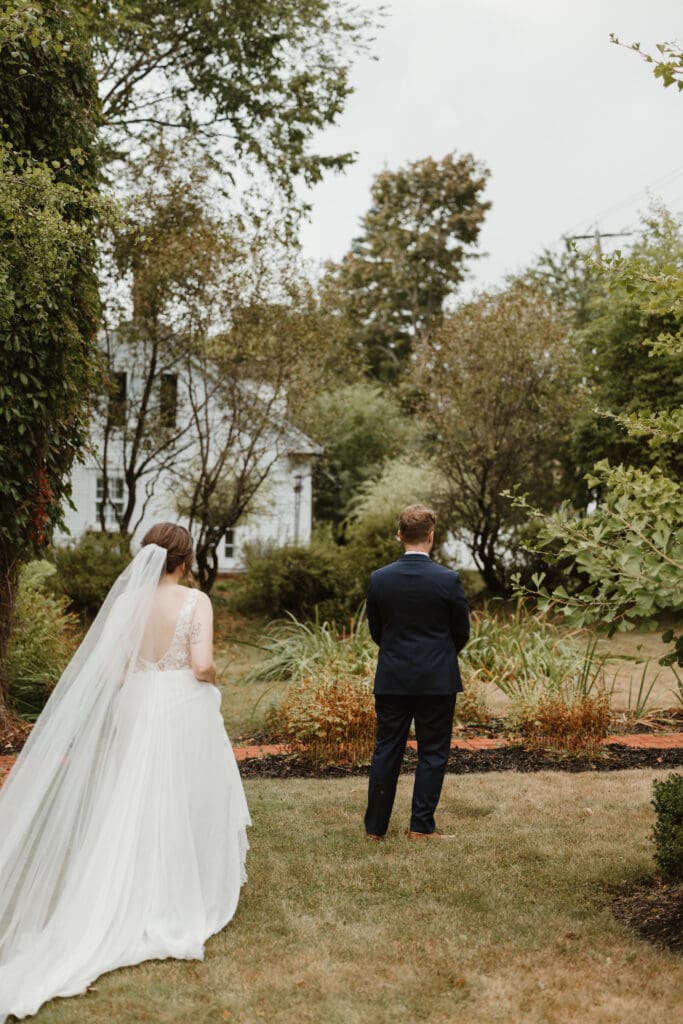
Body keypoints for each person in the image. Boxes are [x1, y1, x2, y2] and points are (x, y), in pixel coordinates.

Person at [0, 523, 250, 1023]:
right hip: (181, 703)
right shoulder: (195, 601)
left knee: (136, 796)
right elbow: (201, 663)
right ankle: (178, 889)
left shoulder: (125, 605)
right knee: (185, 794)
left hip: (136, 700)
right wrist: (212, 675)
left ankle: (131, 882)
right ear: (185, 559)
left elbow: (113, 670)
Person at [364, 504, 469, 840]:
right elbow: (461, 632)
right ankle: (420, 828)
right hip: (436, 680)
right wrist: (438, 655)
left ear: (400, 535)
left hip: (393, 677)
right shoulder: (448, 580)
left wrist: (397, 653)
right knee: (433, 752)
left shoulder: (380, 579)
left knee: (387, 750)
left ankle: (375, 829)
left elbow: (376, 630)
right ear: (431, 536)